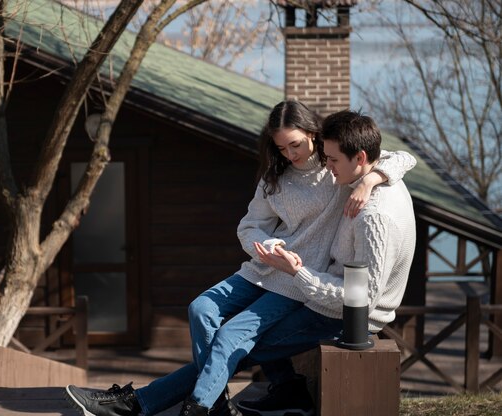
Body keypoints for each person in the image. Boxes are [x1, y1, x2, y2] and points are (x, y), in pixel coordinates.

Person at [63, 102, 415, 416]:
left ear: (314, 135)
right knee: (202, 310)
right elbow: (249, 227)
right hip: (271, 269)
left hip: (304, 282)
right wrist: (267, 244)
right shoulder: (279, 177)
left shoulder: (337, 169)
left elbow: (401, 158)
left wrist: (370, 181)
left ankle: (154, 404)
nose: (291, 153)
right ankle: (217, 399)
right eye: (282, 147)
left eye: (296, 144)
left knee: (231, 341)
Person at [235, 109, 417, 416]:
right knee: (237, 331)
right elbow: (398, 158)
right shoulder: (362, 178)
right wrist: (369, 179)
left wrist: (299, 273)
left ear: (359, 158)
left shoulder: (374, 217)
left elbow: (361, 300)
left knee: (245, 340)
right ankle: (287, 393)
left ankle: (174, 402)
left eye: (331, 160)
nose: (327, 167)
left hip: (340, 315)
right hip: (325, 295)